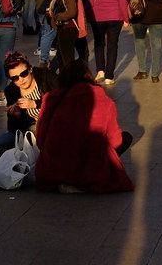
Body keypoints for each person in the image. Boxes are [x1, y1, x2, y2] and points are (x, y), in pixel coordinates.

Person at [34, 60, 134, 194]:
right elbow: (116, 142)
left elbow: (40, 138)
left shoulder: (51, 99)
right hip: (90, 172)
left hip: (53, 171)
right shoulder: (105, 102)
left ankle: (67, 180)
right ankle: (80, 182)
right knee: (125, 137)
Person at [0, 51, 59, 158]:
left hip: (53, 125)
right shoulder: (11, 90)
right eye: (14, 78)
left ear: (30, 69)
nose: (20, 80)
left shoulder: (45, 75)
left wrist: (36, 103)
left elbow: (63, 98)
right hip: (29, 130)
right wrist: (17, 116)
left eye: (23, 74)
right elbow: (14, 129)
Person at [90, 0, 129, 85]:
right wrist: (126, 18)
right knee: (112, 45)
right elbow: (123, 2)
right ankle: (109, 76)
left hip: (98, 17)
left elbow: (90, 0)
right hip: (114, 16)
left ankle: (100, 70)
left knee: (99, 43)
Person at [46, 0, 85, 70]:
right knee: (62, 58)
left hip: (68, 27)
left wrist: (57, 16)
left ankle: (70, 82)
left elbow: (72, 11)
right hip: (65, 27)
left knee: (66, 60)